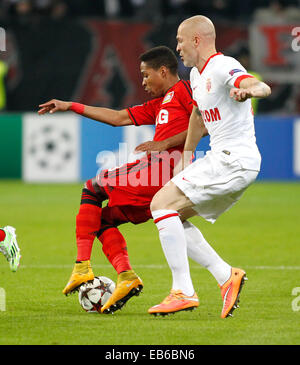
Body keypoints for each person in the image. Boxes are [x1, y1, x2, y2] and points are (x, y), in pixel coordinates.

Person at [38, 46, 195, 314]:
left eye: (146, 76)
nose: (143, 82)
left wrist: (165, 143)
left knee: (92, 188)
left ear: (164, 71)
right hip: (157, 178)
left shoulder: (185, 91)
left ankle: (81, 267)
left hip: (162, 172)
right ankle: (126, 277)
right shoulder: (160, 102)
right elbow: (118, 117)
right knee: (101, 219)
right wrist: (71, 106)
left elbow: (200, 121)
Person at [148, 16, 271, 318]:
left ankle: (183, 291)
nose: (177, 47)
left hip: (233, 159)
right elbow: (197, 115)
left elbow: (261, 86)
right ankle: (226, 276)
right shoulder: (195, 76)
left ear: (197, 40)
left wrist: (248, 91)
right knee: (172, 215)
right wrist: (186, 157)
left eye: (180, 40)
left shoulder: (222, 66)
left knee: (159, 204)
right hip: (231, 162)